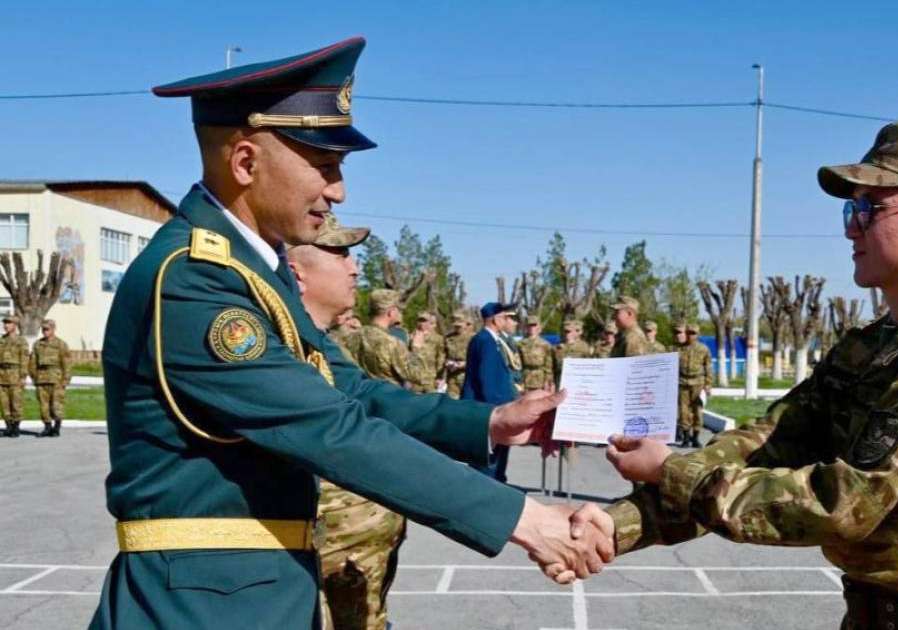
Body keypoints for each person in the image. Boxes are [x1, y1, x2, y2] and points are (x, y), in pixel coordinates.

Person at [90, 39, 610, 630]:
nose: (338, 191)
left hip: (255, 596)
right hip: (198, 607)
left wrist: (489, 424)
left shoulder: (255, 273)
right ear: (244, 163)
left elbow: (351, 393)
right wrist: (526, 519)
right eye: (325, 167)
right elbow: (331, 429)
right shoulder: (195, 281)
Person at [567, 122, 898, 629]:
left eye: (870, 209)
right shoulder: (874, 347)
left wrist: (671, 471)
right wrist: (614, 524)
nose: (850, 227)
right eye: (850, 209)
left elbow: (841, 503)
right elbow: (771, 442)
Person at [288, 214, 407, 630]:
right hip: (330, 541)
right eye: (339, 253)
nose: (354, 267)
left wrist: (492, 420)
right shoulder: (277, 348)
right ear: (296, 272)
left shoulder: (320, 343)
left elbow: (375, 401)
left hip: (362, 544)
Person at [463, 302, 523, 482]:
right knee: (489, 461)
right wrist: (502, 410)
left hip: (492, 407)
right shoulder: (486, 341)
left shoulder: (490, 340)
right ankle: (488, 491)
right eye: (505, 317)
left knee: (497, 458)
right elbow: (488, 380)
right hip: (490, 409)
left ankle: (496, 484)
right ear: (495, 320)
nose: (508, 320)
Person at [30, 318, 70, 437]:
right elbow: (33, 362)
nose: (45, 332)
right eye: (43, 329)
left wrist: (65, 380)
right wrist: (34, 377)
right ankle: (47, 427)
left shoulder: (60, 344)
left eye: (47, 329)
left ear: (53, 329)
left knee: (56, 405)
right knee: (43, 405)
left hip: (56, 379)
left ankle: (56, 428)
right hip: (41, 379)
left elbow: (66, 363)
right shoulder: (38, 344)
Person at [675, 322, 712, 448]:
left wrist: (708, 385)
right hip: (682, 383)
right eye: (688, 333)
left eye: (693, 333)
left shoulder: (703, 349)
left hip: (698, 383)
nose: (690, 336)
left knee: (698, 411)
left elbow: (708, 367)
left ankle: (695, 438)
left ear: (697, 334)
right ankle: (686, 438)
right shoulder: (679, 349)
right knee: (683, 412)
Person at [0, 315, 28, 437]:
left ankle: (16, 427)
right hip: (2, 375)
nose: (6, 325)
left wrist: (23, 377)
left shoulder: (21, 341)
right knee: (4, 403)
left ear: (15, 325)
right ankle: (8, 427)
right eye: (5, 323)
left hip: (15, 375)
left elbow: (24, 359)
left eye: (9, 323)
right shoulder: (1, 340)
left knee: (16, 403)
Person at [408, 312, 445, 393]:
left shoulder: (437, 339)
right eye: (419, 321)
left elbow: (441, 358)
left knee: (430, 402)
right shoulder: (411, 337)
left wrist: (440, 377)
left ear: (429, 322)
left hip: (430, 379)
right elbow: (408, 356)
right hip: (415, 380)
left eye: (424, 321)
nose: (421, 323)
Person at [518, 315, 554, 392]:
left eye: (534, 325)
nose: (532, 328)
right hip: (526, 378)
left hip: (540, 379)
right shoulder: (520, 344)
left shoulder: (545, 344)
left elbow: (548, 366)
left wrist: (547, 381)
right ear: (526, 327)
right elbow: (518, 364)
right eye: (529, 325)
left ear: (539, 327)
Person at [554, 319, 592, 386]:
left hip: (577, 380)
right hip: (560, 380)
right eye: (565, 331)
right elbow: (554, 366)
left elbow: (588, 366)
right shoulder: (558, 347)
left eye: (569, 331)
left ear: (574, 332)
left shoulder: (583, 347)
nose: (566, 334)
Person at [443, 313, 472, 399]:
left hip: (468, 378)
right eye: (456, 326)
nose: (458, 328)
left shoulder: (473, 338)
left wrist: (464, 364)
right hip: (452, 379)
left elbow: (478, 359)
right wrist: (447, 363)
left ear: (466, 324)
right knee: (452, 405)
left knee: (467, 405)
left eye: (460, 325)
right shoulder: (448, 338)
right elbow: (443, 355)